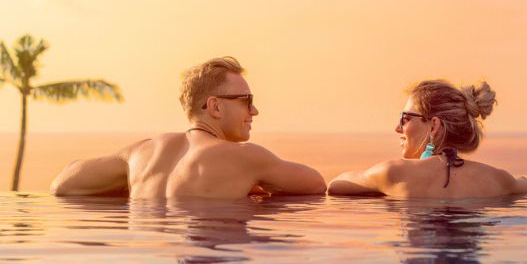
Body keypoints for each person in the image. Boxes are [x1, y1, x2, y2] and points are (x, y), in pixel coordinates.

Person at [51, 57, 326, 199]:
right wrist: (254, 179)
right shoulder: (245, 157)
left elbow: (62, 184)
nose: (254, 111)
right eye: (246, 101)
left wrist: (129, 182)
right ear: (215, 107)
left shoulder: (141, 153)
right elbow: (316, 184)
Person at [327, 80, 527, 198]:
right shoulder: (497, 179)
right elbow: (526, 185)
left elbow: (335, 185)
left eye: (405, 118)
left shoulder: (394, 173)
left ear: (433, 125)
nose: (398, 127)